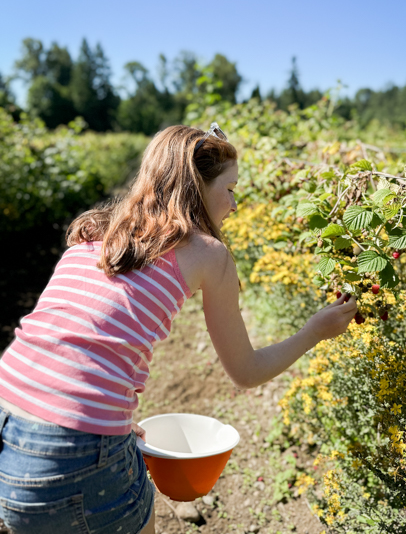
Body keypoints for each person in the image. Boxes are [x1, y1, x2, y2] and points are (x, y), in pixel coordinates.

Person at [0, 124, 357, 534]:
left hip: (9, 430)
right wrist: (315, 331)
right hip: (73, 452)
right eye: (231, 188)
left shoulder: (95, 234)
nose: (235, 204)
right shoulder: (208, 253)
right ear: (197, 186)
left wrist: (106, 418)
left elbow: (66, 346)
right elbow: (246, 371)